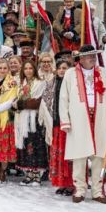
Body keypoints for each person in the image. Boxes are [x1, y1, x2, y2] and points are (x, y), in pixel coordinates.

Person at [59, 45, 106, 203]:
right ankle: (80, 189)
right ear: (81, 58)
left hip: (100, 117)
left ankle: (98, 191)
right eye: (89, 56)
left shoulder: (103, 73)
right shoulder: (71, 74)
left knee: (99, 157)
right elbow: (64, 99)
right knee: (79, 156)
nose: (92, 58)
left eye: (94, 56)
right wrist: (65, 120)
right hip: (79, 119)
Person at [14, 60, 49, 186]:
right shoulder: (20, 83)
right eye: (26, 68)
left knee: (35, 146)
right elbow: (16, 99)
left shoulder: (40, 83)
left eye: (30, 68)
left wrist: (22, 104)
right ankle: (28, 174)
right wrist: (16, 104)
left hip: (34, 119)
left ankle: (36, 175)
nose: (28, 71)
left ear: (34, 69)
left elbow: (39, 101)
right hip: (22, 119)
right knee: (25, 145)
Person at [43, 59, 74, 195]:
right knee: (58, 154)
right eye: (60, 68)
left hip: (69, 124)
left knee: (69, 155)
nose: (62, 70)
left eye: (65, 68)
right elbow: (47, 100)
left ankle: (71, 184)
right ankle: (61, 183)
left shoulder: (73, 84)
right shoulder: (52, 83)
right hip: (56, 123)